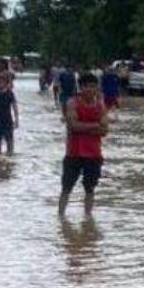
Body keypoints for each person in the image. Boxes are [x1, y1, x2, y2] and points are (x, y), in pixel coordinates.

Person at [58, 72, 108, 217]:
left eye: (94, 87)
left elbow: (104, 131)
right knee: (66, 187)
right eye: (87, 87)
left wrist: (84, 127)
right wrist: (96, 125)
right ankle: (60, 218)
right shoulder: (72, 103)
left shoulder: (100, 105)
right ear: (81, 88)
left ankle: (88, 218)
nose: (91, 90)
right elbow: (73, 126)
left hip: (94, 154)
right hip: (74, 153)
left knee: (90, 188)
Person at [0, 71, 20, 155]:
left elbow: (15, 107)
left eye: (2, 82)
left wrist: (16, 120)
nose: (0, 84)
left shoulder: (9, 93)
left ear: (6, 83)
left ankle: (9, 158)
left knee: (9, 140)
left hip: (7, 119)